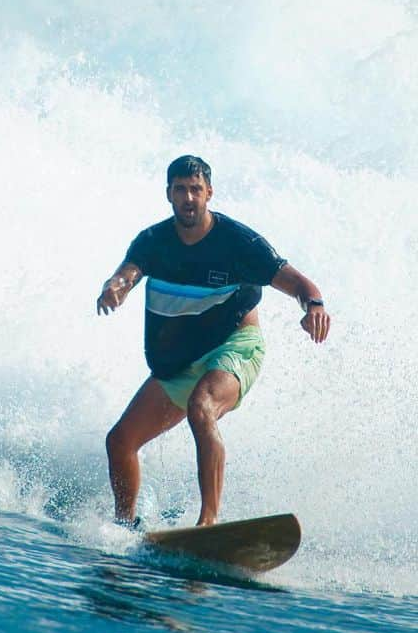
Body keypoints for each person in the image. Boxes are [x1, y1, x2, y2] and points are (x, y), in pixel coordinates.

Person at [96, 155, 330, 528]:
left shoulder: (239, 243)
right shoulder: (153, 242)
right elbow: (128, 273)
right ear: (168, 194)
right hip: (183, 362)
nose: (188, 198)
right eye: (180, 190)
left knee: (201, 406)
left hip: (235, 346)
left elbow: (299, 283)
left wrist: (313, 305)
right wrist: (115, 288)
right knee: (120, 440)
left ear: (209, 193)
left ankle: (208, 523)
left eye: (195, 190)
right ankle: (124, 527)